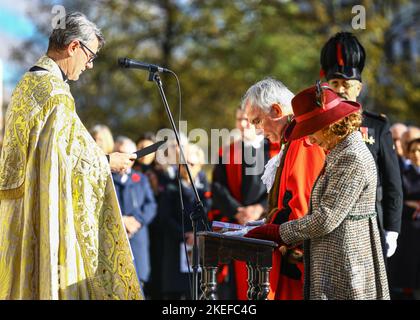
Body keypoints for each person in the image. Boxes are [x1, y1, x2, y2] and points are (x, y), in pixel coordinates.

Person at [0, 12, 142, 299]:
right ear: (74, 46)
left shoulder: (28, 83)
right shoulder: (55, 92)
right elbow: (66, 161)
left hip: (20, 214)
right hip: (43, 214)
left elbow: (56, 155)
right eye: (90, 56)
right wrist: (106, 162)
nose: (90, 65)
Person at [246, 84, 389, 300]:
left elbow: (326, 218)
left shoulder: (351, 156)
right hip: (339, 260)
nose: (310, 140)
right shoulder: (340, 152)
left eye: (311, 131)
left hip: (348, 263)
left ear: (329, 125)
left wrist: (277, 232)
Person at [320, 32, 403, 260]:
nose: (339, 89)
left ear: (359, 88)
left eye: (346, 83)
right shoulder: (317, 127)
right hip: (325, 220)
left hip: (369, 221)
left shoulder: (377, 125)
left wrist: (392, 229)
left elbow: (392, 182)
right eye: (334, 83)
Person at [241, 78, 325, 300]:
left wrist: (272, 228)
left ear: (277, 110)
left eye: (258, 121)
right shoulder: (293, 139)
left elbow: (303, 208)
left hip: (300, 267)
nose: (258, 131)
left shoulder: (302, 141)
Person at [210, 107, 279, 300]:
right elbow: (217, 187)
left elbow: (279, 186)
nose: (242, 124)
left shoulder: (272, 149)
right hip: (236, 224)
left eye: (247, 120)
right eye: (239, 119)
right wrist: (236, 210)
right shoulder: (228, 151)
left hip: (265, 224)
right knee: (237, 287)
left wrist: (260, 208)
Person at [159, 143, 211, 299]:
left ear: (200, 165)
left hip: (201, 245)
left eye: (192, 163)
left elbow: (211, 214)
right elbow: (164, 218)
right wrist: (185, 234)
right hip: (177, 247)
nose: (187, 167)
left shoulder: (207, 188)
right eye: (184, 163)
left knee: (200, 290)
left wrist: (198, 234)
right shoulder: (170, 188)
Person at [112, 136, 157, 288]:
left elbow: (151, 205)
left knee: (138, 286)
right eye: (120, 153)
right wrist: (121, 220)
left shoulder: (141, 179)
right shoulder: (105, 178)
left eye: (129, 155)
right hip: (113, 241)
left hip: (137, 241)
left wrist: (137, 221)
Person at [389, 137, 420, 299]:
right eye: (413, 150)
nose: (416, 154)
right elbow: (397, 199)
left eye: (419, 150)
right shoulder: (404, 174)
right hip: (408, 231)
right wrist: (412, 205)